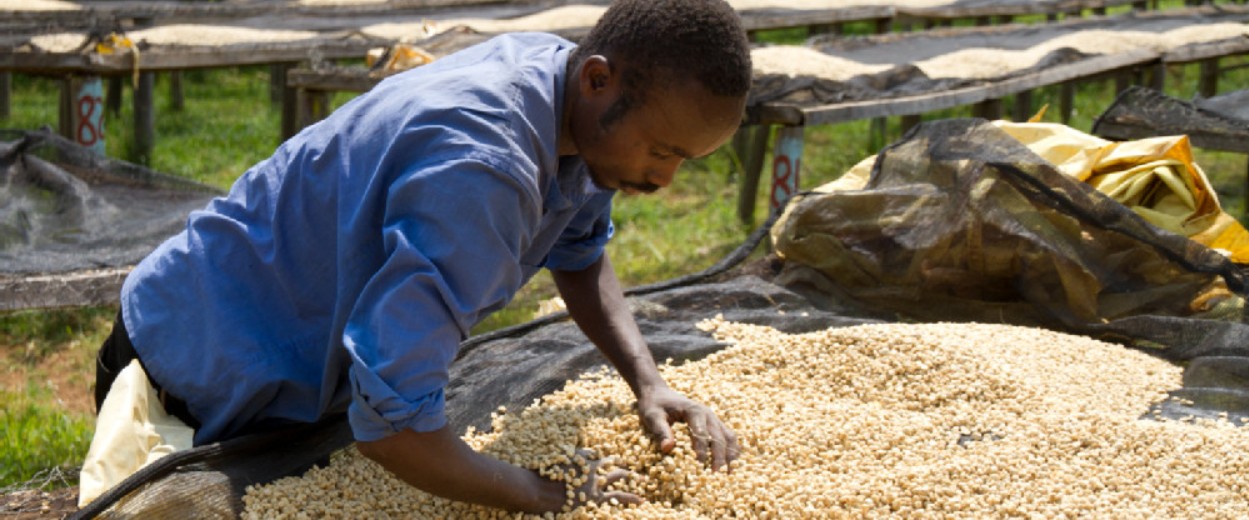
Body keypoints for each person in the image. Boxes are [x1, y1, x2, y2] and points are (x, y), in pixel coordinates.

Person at [87, 0, 753, 513]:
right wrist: (553, 495)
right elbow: (393, 431)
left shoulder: (564, 88)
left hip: (284, 367)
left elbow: (577, 251)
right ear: (600, 80)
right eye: (662, 151)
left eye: (684, 161)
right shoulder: (483, 172)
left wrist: (649, 382)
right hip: (184, 380)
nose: (664, 180)